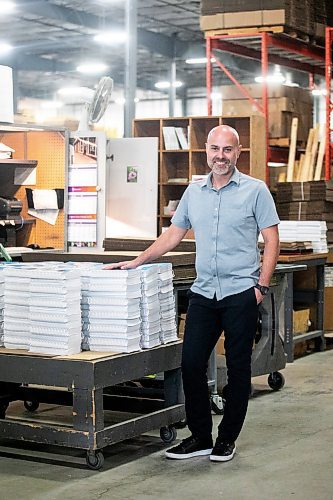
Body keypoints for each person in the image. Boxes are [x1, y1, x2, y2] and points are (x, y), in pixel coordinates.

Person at [105, 125, 280, 462]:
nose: (220, 156)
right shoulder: (194, 191)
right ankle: (200, 437)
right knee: (190, 363)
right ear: (206, 150)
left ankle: (226, 440)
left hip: (241, 291)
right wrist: (137, 261)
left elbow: (271, 239)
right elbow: (173, 235)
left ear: (238, 152)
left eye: (227, 150)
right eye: (214, 149)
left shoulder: (255, 191)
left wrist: (261, 285)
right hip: (204, 293)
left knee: (238, 368)